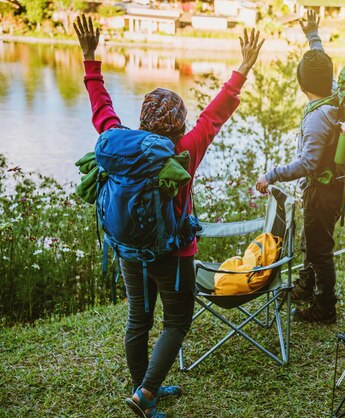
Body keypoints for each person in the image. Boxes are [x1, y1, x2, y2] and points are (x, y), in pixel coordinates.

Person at [74, 15, 264, 417]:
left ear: (143, 120)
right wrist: (242, 70)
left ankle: (144, 386)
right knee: (176, 323)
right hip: (174, 255)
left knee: (138, 319)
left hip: (129, 250)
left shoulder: (119, 148)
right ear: (177, 124)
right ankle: (145, 395)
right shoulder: (185, 150)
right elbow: (213, 117)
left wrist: (91, 59)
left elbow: (101, 109)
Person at [256, 10, 341, 324]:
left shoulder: (319, 117)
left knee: (320, 247)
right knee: (312, 238)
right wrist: (312, 35)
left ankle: (325, 307)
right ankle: (306, 285)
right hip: (327, 187)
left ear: (302, 83)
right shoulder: (331, 91)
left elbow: (308, 163)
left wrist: (272, 175)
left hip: (324, 190)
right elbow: (321, 61)